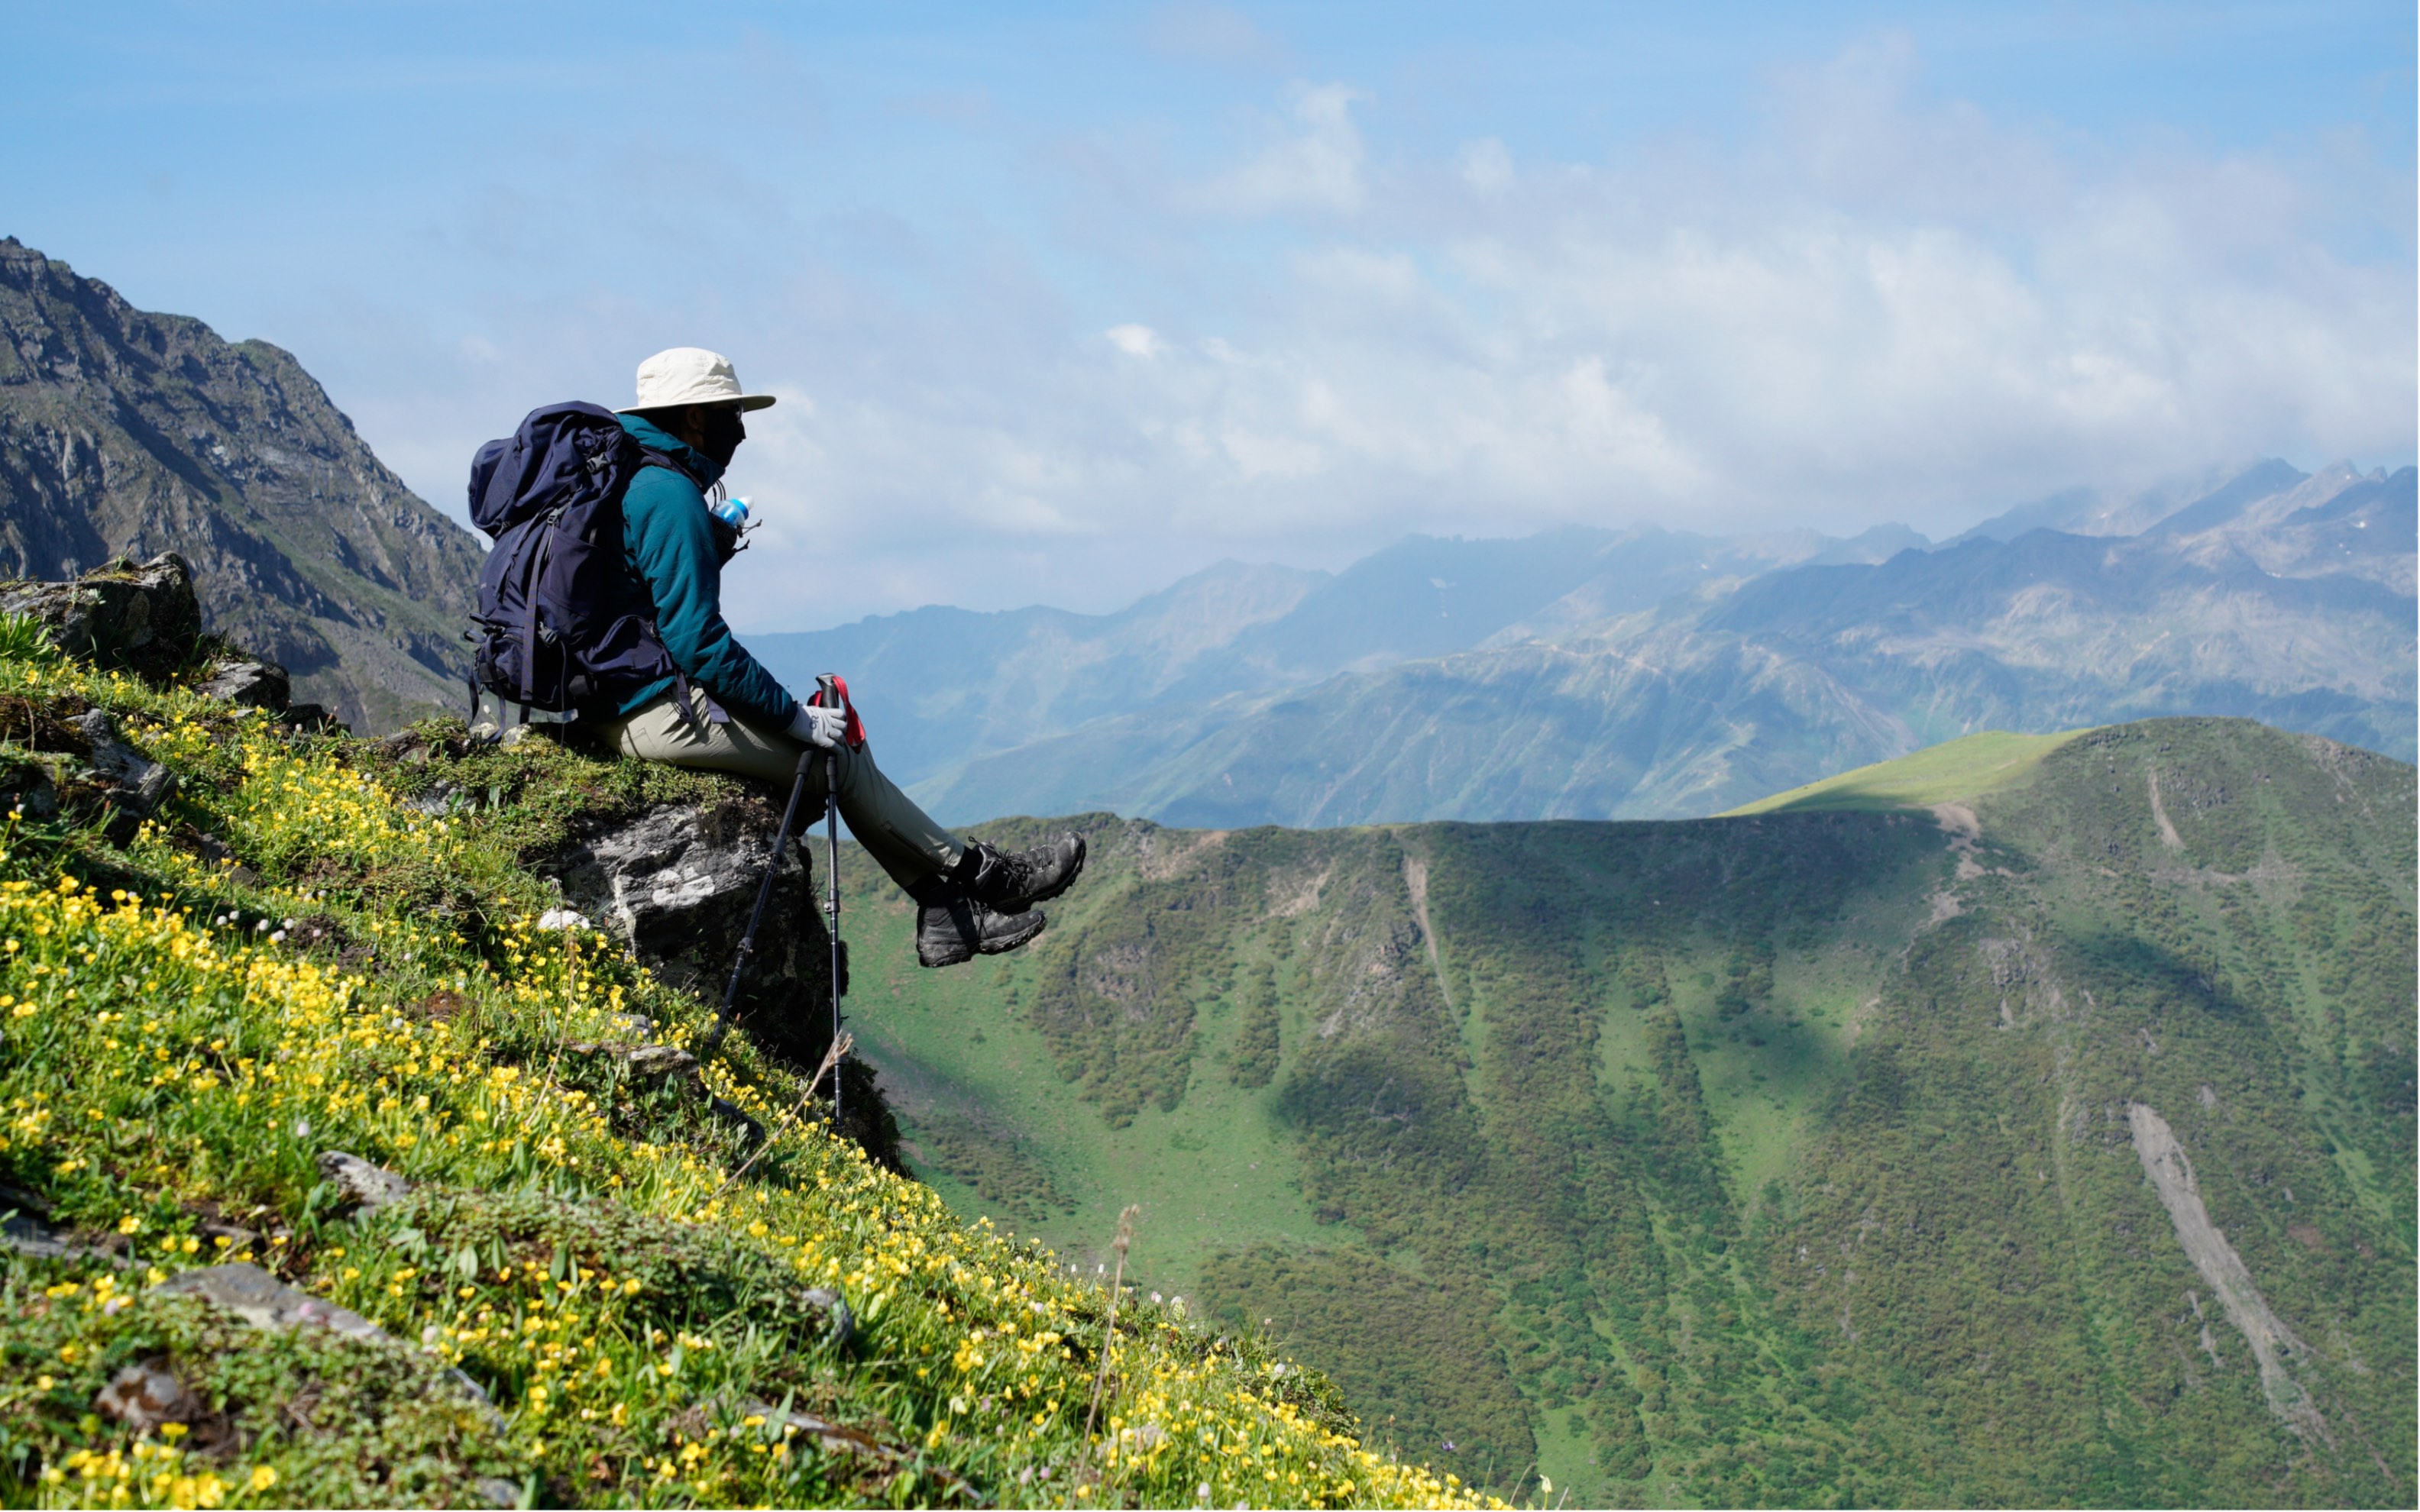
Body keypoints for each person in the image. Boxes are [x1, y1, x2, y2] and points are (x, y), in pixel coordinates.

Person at [587, 347, 1082, 967]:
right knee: (834, 754)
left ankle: (947, 914)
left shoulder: (626, 476)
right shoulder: (667, 492)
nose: (739, 428)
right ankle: (984, 879)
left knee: (837, 737)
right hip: (639, 710)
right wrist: (794, 718)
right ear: (692, 417)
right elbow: (697, 642)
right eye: (729, 412)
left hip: (606, 698)